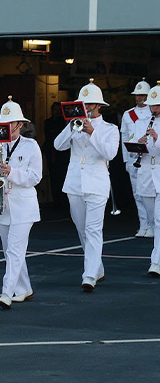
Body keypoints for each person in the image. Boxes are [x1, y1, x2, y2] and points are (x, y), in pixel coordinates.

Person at [54, 79, 119, 292]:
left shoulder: (110, 129)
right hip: (74, 183)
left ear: (99, 106)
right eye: (83, 104)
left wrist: (92, 132)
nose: (86, 108)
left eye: (90, 104)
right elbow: (58, 145)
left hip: (97, 183)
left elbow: (109, 154)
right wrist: (72, 127)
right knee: (82, 229)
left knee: (93, 229)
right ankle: (97, 267)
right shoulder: (74, 124)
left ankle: (89, 275)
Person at [0, 98, 42, 308]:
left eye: (10, 123)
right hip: (2, 203)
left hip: (23, 204)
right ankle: (24, 288)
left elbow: (35, 176)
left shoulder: (31, 146)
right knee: (10, 249)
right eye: (3, 123)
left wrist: (12, 172)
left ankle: (6, 292)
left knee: (15, 250)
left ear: (20, 124)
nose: (6, 127)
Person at [120, 78, 153, 238]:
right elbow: (124, 137)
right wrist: (126, 159)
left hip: (149, 159)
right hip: (133, 158)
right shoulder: (128, 115)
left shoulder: (154, 112)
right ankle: (143, 224)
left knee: (150, 194)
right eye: (137, 95)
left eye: (142, 95)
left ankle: (153, 225)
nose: (139, 98)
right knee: (137, 194)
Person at [134, 82, 160, 276]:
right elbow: (131, 144)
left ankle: (156, 262)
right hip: (145, 172)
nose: (154, 109)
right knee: (153, 219)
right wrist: (139, 143)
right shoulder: (140, 121)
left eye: (157, 105)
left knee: (159, 220)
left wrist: (157, 138)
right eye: (152, 105)